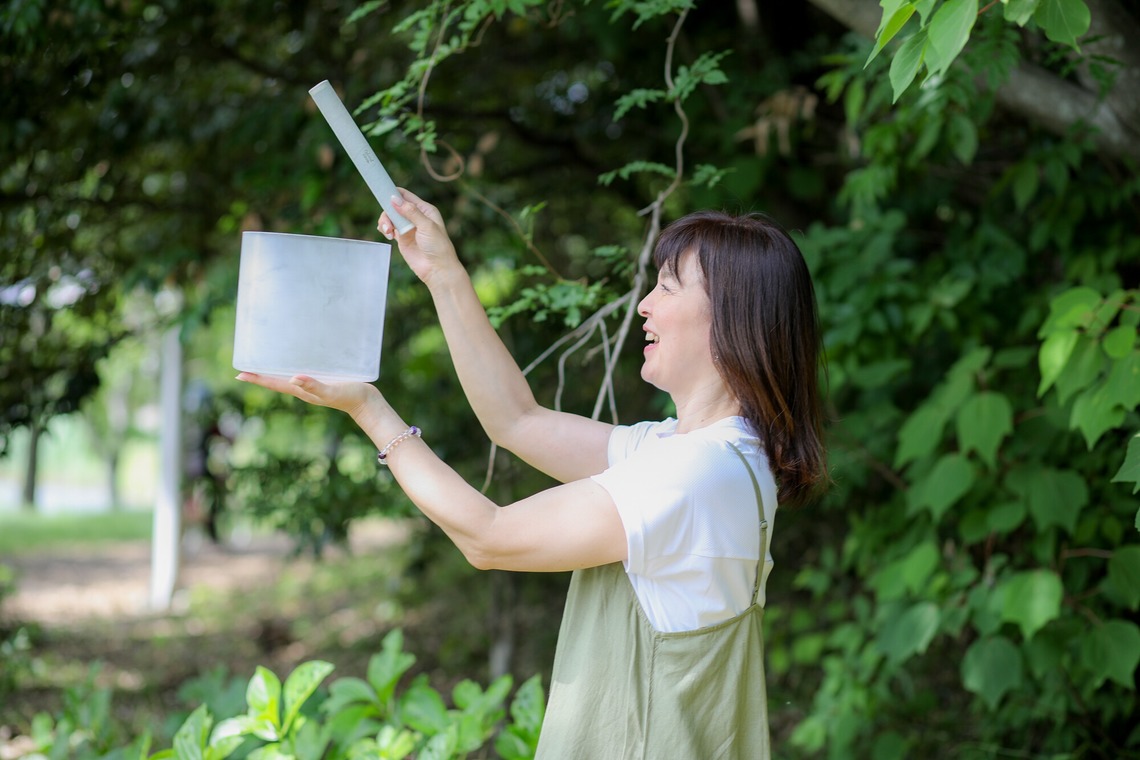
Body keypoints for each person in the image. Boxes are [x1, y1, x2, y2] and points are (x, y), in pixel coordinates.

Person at [237, 190, 827, 758]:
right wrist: (443, 273)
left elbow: (487, 537)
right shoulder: (707, 455)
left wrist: (368, 408)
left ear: (733, 319)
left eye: (668, 287)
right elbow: (516, 420)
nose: (644, 304)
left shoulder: (693, 475)